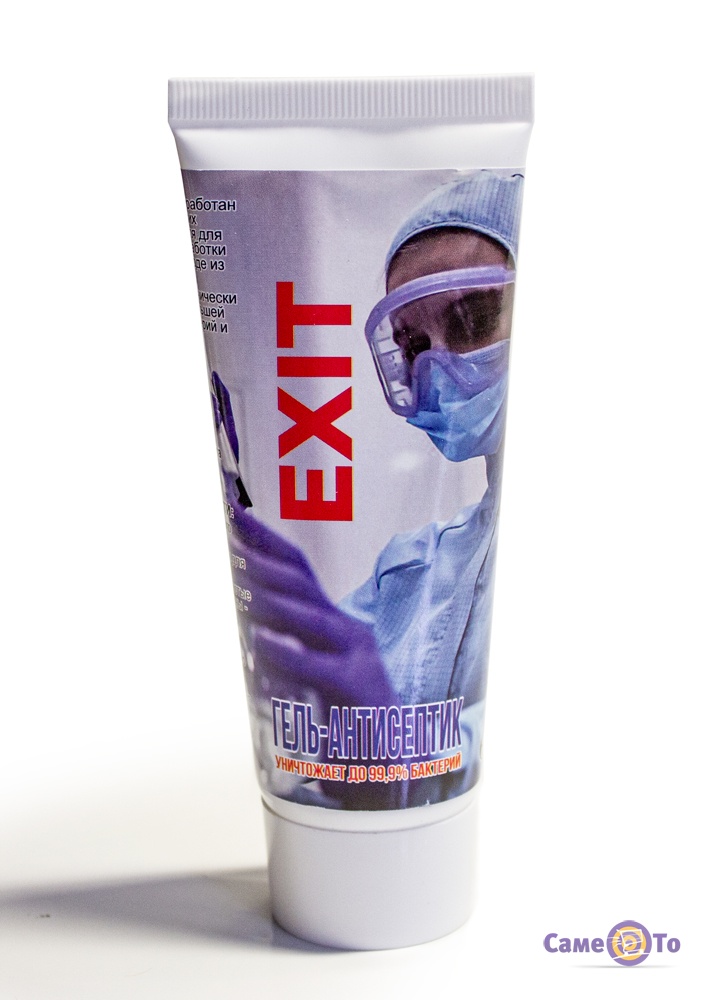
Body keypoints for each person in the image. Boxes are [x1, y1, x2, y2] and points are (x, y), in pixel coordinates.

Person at [221, 171, 523, 809]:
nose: (438, 366)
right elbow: (313, 749)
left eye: (474, 318)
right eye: (412, 344)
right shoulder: (409, 572)